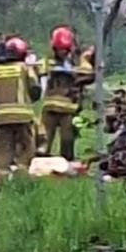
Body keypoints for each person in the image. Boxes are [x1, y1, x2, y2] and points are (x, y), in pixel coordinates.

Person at [39, 26, 92, 160]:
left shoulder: (76, 61)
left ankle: (66, 166)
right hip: (50, 108)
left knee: (67, 141)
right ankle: (41, 164)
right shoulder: (49, 61)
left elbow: (89, 73)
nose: (61, 52)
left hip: (68, 110)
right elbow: (42, 69)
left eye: (64, 49)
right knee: (44, 140)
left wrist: (82, 62)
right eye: (58, 49)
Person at [0, 36, 41, 174]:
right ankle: (22, 178)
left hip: (1, 119)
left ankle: (2, 182)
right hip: (22, 117)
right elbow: (35, 89)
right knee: (26, 150)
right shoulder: (24, 68)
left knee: (2, 152)